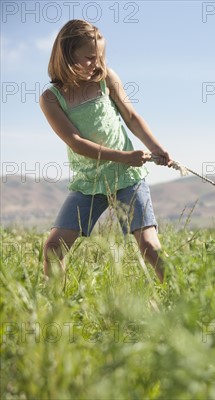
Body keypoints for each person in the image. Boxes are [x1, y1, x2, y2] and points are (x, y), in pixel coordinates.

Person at [40, 19, 170, 282]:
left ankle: (180, 297)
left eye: (100, 57)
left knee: (148, 245)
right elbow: (76, 142)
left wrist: (155, 147)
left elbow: (132, 117)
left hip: (126, 178)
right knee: (53, 248)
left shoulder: (106, 79)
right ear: (66, 54)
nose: (97, 64)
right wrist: (125, 156)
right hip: (88, 182)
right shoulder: (52, 98)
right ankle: (56, 310)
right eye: (89, 58)